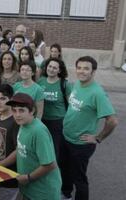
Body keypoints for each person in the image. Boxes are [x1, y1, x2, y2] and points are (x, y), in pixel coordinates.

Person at [61, 56, 118, 200]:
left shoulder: (97, 93)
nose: (82, 71)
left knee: (79, 178)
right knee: (66, 170)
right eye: (79, 68)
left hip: (81, 145)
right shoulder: (78, 84)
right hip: (67, 137)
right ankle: (65, 194)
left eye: (86, 68)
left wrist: (98, 137)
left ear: (93, 72)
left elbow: (112, 121)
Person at [8, 93, 62, 200]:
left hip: (43, 192)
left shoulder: (38, 131)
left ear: (32, 111)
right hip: (29, 189)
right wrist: (0, 164)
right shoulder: (23, 124)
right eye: (14, 110)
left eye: (21, 110)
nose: (17, 114)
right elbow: (20, 149)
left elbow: (50, 164)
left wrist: (28, 178)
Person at [0, 84, 19, 200]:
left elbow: (18, 151)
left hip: (9, 175)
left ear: (11, 99)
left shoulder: (16, 121)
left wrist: (0, 165)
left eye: (3, 99)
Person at [37, 58, 71, 162]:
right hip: (42, 120)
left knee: (55, 149)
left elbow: (71, 105)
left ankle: (54, 172)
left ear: (59, 71)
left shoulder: (64, 84)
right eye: (50, 66)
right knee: (42, 147)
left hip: (57, 122)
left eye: (55, 68)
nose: (51, 69)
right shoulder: (41, 81)